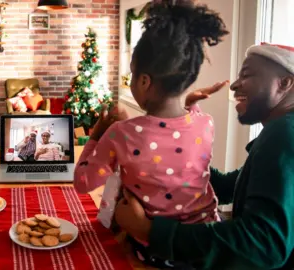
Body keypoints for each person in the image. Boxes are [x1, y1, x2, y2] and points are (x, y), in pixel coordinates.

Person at [73, 1, 228, 268]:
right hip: (202, 247)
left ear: (144, 81)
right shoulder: (205, 123)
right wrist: (188, 103)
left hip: (152, 251)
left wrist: (97, 135)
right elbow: (173, 132)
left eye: (132, 75)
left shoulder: (120, 134)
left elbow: (83, 182)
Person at [115, 42, 294, 270]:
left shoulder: (284, 135)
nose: (235, 85)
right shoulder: (281, 131)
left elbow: (263, 244)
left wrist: (148, 231)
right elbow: (232, 186)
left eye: (247, 75)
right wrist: (174, 147)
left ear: (285, 83)